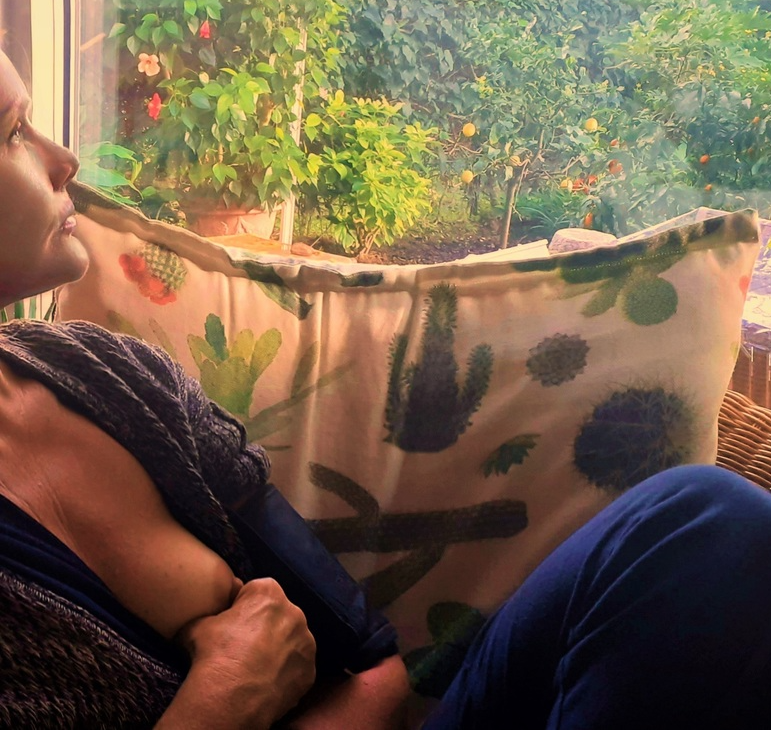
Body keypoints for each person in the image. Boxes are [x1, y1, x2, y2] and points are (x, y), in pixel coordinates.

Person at [3, 46, 771, 730]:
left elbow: (373, 669)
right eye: (12, 133)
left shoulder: (107, 374)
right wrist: (224, 702)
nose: (63, 159)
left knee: (706, 522)